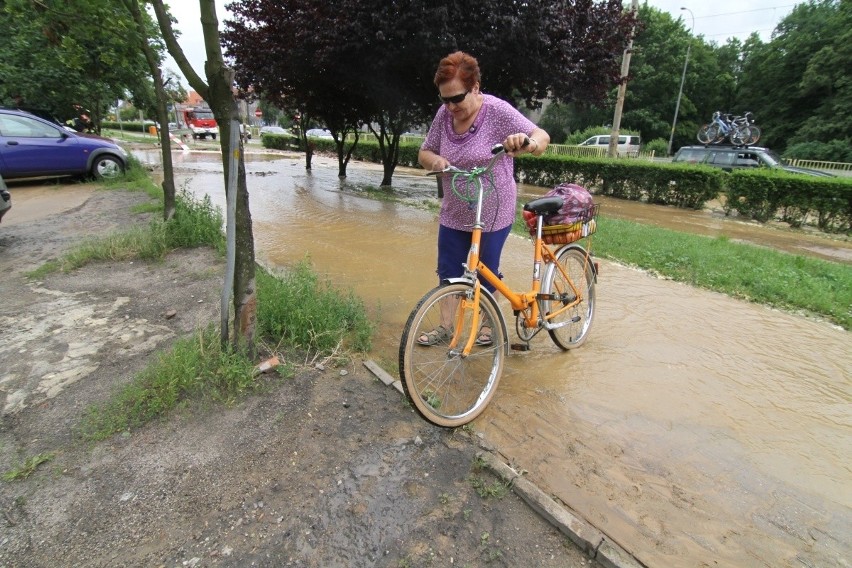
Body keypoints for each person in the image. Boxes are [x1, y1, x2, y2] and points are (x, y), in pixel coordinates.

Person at [417, 51, 550, 346]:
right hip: (455, 209)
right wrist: (436, 161)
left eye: (457, 98)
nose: (451, 106)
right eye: (445, 99)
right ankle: (445, 328)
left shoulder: (498, 111)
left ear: (476, 87)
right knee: (449, 270)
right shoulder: (444, 116)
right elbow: (424, 152)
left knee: (485, 269)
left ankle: (487, 324)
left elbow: (541, 137)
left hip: (493, 208)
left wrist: (527, 143)